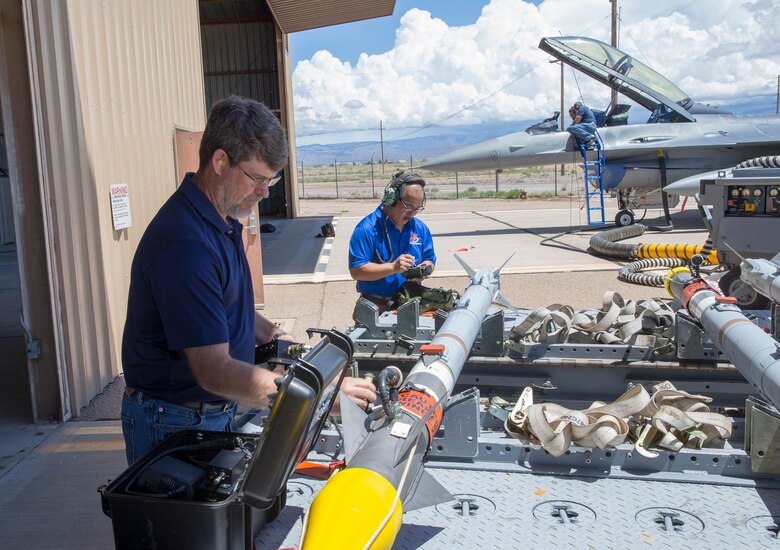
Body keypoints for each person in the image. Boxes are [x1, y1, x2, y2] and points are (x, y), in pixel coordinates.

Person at [121, 96, 376, 465]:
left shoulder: (219, 220)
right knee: (182, 523)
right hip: (173, 420)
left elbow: (229, 307)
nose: (265, 191)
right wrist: (319, 395)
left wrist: (277, 338)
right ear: (220, 161)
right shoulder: (186, 244)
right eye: (257, 178)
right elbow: (214, 370)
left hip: (205, 410)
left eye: (272, 179)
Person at [348, 172, 436, 312]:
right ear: (392, 199)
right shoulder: (366, 229)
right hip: (376, 307)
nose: (413, 213)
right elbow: (357, 271)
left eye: (417, 208)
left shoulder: (420, 228)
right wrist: (393, 268)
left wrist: (425, 269)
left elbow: (429, 259)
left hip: (411, 304)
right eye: (408, 207)